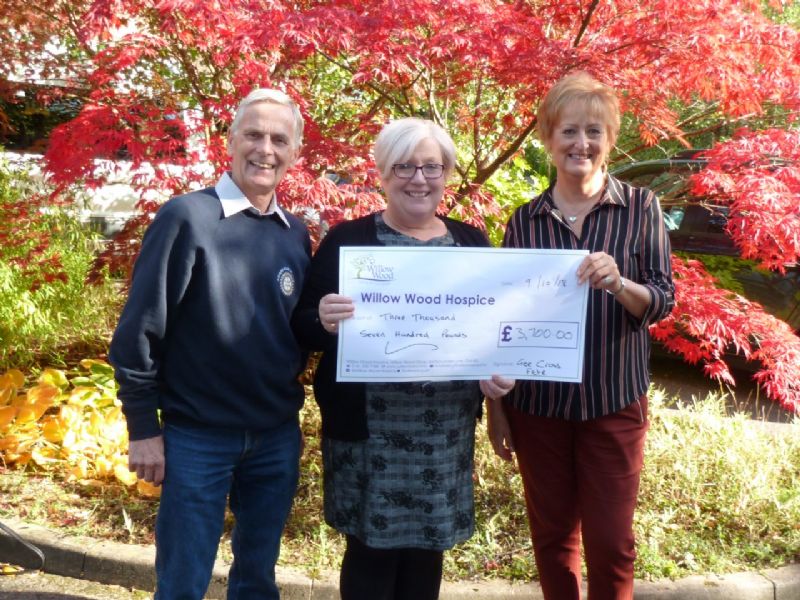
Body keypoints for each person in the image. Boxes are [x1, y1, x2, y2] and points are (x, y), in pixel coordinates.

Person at [292, 117, 514, 600]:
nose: (419, 179)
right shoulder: (346, 241)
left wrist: (496, 378)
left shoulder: (472, 243)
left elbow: (491, 334)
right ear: (383, 174)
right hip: (369, 433)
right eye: (404, 166)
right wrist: (322, 320)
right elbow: (301, 323)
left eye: (431, 166)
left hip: (442, 435)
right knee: (370, 554)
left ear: (447, 173)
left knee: (425, 555)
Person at [108, 88, 311, 600]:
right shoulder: (187, 217)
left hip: (275, 435)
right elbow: (139, 331)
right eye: (254, 134)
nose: (265, 149)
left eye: (279, 139)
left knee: (257, 580)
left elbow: (295, 329)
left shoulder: (296, 233)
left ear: (295, 151)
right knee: (182, 582)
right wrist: (141, 427)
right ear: (230, 140)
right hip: (197, 436)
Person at [487, 72, 675, 600]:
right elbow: (507, 324)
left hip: (612, 403)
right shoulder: (525, 222)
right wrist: (496, 410)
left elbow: (662, 298)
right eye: (569, 131)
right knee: (551, 539)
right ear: (549, 139)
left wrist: (620, 284)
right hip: (539, 407)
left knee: (612, 542)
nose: (582, 144)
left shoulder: (641, 209)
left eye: (595, 131)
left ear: (610, 139)